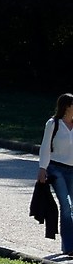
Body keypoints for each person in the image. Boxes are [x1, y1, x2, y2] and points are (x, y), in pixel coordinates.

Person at [40, 94, 73, 252]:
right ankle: (69, 247)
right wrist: (42, 168)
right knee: (66, 206)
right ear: (67, 106)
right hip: (56, 169)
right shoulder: (53, 124)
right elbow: (45, 146)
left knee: (72, 207)